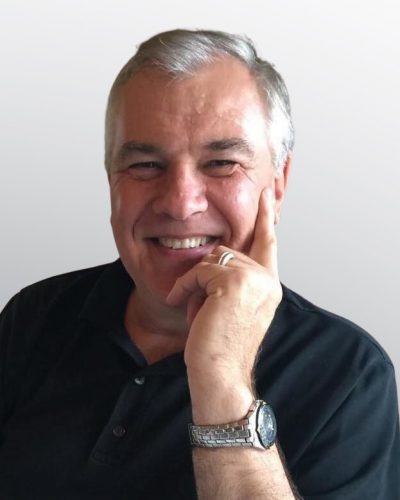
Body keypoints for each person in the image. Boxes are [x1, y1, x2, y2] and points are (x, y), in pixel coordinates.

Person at [0, 29, 398, 500]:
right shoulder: (35, 315)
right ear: (111, 180)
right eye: (146, 165)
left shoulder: (349, 375)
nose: (180, 203)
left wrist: (221, 373)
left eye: (222, 163)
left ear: (277, 184)